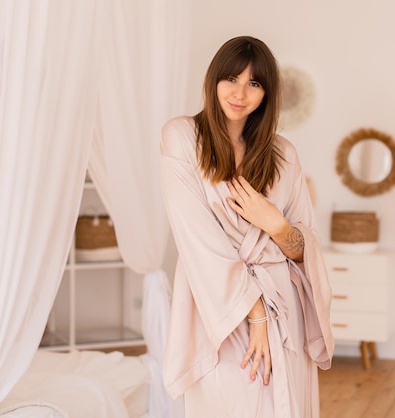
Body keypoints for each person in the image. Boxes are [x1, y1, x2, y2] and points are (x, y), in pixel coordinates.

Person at [159, 35, 334, 417]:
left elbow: (306, 246)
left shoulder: (284, 154)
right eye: (231, 79)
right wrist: (254, 315)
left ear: (267, 93)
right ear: (213, 81)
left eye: (254, 83)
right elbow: (198, 242)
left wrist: (276, 225)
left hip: (285, 309)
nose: (240, 93)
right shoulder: (182, 138)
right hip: (220, 310)